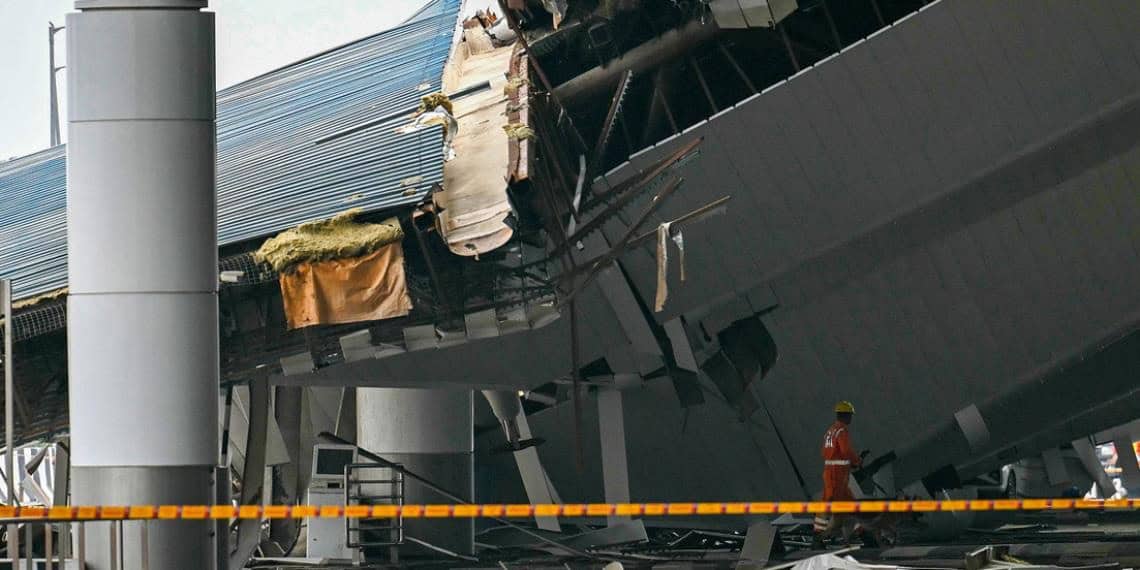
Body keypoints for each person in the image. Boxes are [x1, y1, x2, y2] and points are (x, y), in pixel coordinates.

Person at [813, 401, 866, 548]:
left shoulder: (830, 431)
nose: (851, 418)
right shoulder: (842, 430)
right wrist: (857, 461)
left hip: (831, 471)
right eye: (850, 415)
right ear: (845, 415)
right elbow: (846, 451)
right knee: (833, 504)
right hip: (838, 474)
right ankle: (817, 538)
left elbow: (824, 452)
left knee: (846, 504)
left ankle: (862, 533)